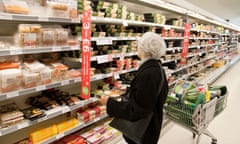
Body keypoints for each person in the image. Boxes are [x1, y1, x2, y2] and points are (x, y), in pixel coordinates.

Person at [100, 32, 168, 144]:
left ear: (144, 49)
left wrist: (109, 103)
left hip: (143, 132)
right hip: (151, 126)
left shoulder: (149, 74)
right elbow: (148, 99)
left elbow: (137, 110)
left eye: (139, 45)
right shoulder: (157, 69)